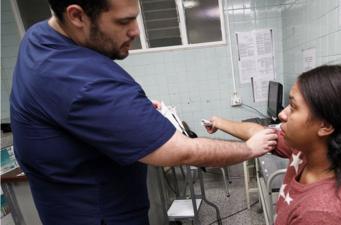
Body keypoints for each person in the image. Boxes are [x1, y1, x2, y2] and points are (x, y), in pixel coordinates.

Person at [9, 0, 278, 225]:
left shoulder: (40, 36)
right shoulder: (81, 79)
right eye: (123, 22)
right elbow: (180, 151)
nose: (136, 31)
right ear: (77, 15)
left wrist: (123, 112)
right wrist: (249, 149)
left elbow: (76, 108)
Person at [205, 65, 341, 225]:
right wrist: (220, 122)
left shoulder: (322, 215)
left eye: (293, 107)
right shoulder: (312, 148)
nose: (282, 114)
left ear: (325, 126)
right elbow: (259, 133)